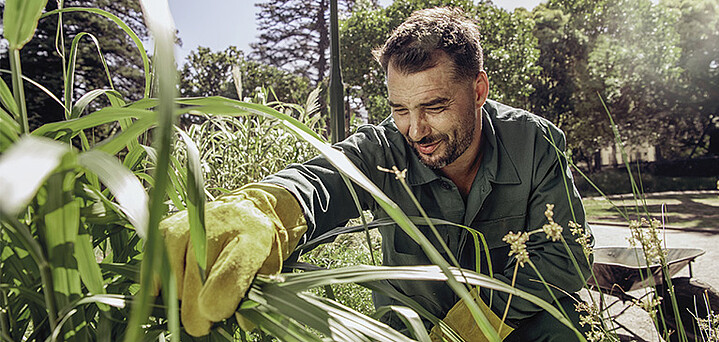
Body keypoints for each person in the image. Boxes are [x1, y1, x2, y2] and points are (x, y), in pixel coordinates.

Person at [160, 6, 593, 341]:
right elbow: (323, 180)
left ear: (478, 90)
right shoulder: (384, 148)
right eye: (400, 109)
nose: (416, 130)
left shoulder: (535, 143)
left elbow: (567, 255)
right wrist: (264, 211)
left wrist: (464, 331)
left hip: (525, 331)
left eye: (435, 107)